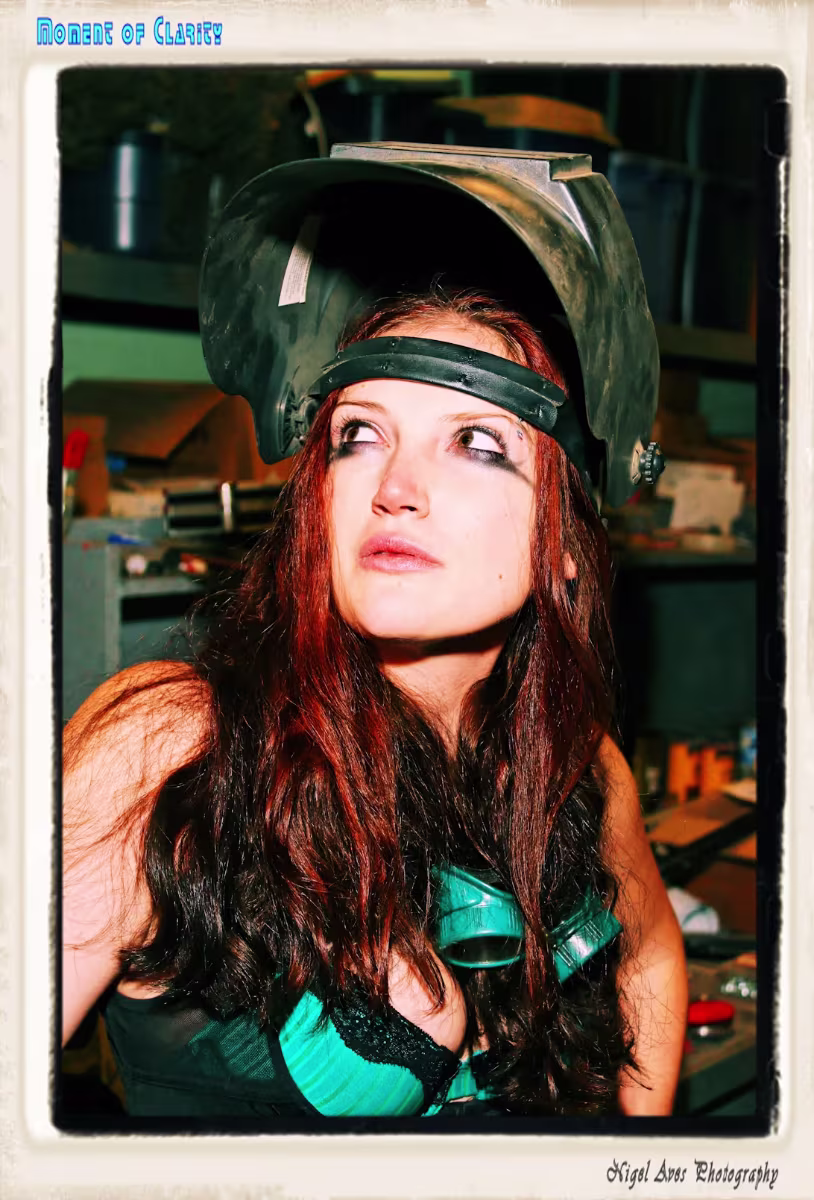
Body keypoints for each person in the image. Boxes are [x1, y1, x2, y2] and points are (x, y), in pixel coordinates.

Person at [62, 284, 686, 1120]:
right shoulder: (167, 746)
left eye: (475, 441)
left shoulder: (578, 764)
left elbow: (649, 958)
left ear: (566, 539)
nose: (395, 486)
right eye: (359, 434)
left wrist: (638, 1167)